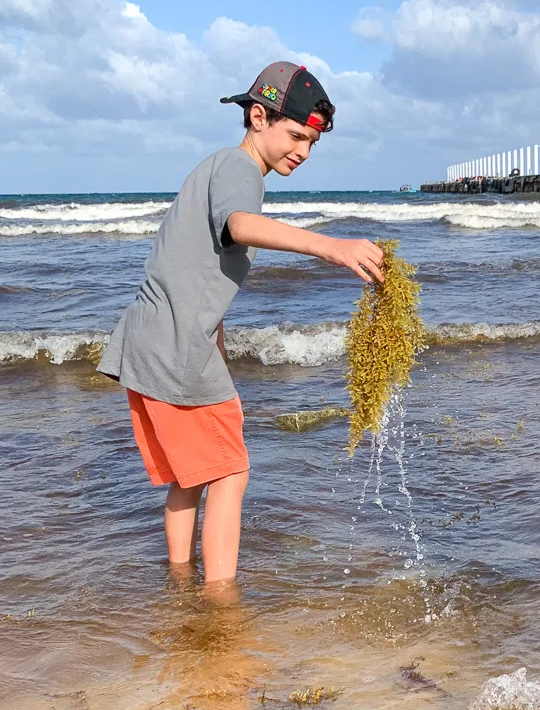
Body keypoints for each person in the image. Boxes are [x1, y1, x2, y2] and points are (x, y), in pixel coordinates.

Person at [98, 62, 384, 589]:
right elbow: (241, 226)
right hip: (175, 345)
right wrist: (332, 247)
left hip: (155, 339)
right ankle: (221, 605)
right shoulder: (238, 169)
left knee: (191, 479)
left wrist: (218, 346)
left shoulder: (217, 168)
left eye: (312, 143)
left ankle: (180, 582)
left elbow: (197, 272)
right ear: (258, 117)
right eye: (295, 135)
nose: (302, 150)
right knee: (230, 471)